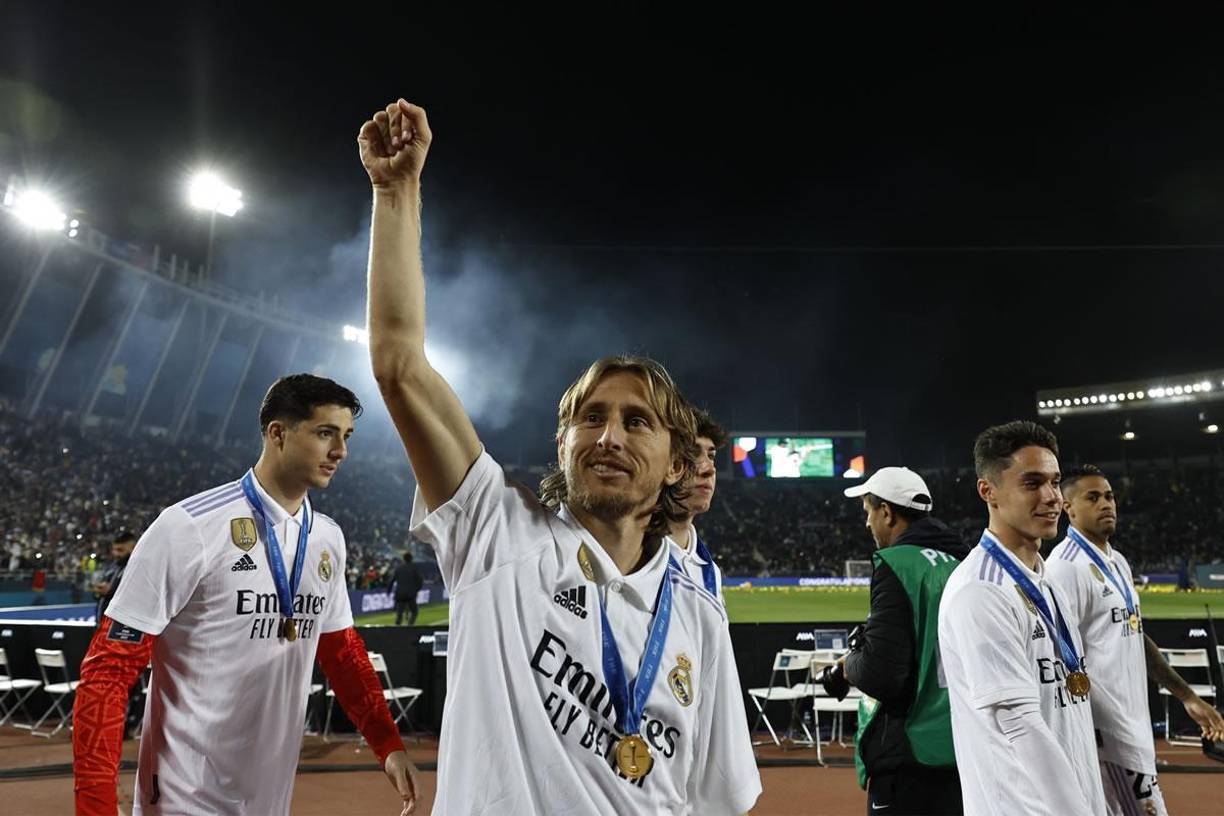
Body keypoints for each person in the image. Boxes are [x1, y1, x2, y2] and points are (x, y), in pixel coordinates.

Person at [362, 97, 761, 814]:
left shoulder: (698, 607)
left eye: (637, 422)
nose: (608, 436)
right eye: (590, 418)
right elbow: (399, 365)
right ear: (562, 441)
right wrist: (397, 192)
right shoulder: (494, 531)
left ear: (677, 463)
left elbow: (713, 799)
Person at [72, 374, 418, 815]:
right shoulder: (188, 528)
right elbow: (108, 671)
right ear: (278, 433)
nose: (341, 452)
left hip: (269, 799)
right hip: (183, 799)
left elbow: (342, 653)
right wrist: (94, 808)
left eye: (346, 436)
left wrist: (388, 744)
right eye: (325, 433)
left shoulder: (327, 538)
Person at [938, 420, 1106, 816]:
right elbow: (1020, 727)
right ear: (988, 491)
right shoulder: (980, 590)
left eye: (1055, 482)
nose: (1052, 498)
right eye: (1032, 484)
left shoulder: (1047, 581)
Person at [1047, 464, 1224, 816]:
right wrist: (1088, 730)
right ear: (1068, 507)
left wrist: (1186, 695)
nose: (1106, 504)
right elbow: (1059, 658)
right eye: (1092, 497)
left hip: (1133, 728)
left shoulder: (1119, 562)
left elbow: (1135, 636)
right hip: (1105, 738)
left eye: (1109, 496)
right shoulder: (1065, 568)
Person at [825, 467, 966, 814]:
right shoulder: (962, 561)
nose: (867, 523)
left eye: (868, 512)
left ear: (886, 512)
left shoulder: (896, 563)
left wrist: (848, 665)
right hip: (964, 746)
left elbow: (881, 675)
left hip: (911, 753)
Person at [666, 408, 727, 600]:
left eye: (711, 456)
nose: (710, 469)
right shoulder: (628, 558)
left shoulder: (711, 573)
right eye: (693, 453)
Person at [92, 530, 137, 622]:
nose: (115, 554)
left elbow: (137, 598)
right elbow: (100, 595)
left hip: (120, 628)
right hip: (101, 625)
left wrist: (111, 592)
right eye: (114, 549)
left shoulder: (137, 571)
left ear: (133, 549)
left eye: (120, 550)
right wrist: (98, 591)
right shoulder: (112, 568)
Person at [391, 551, 424, 625]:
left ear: (403, 559)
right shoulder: (414, 568)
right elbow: (420, 580)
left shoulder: (398, 568)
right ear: (411, 559)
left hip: (400, 594)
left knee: (399, 614)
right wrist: (417, 589)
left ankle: (396, 630)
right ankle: (409, 626)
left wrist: (388, 591)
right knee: (414, 612)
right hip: (410, 594)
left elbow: (392, 580)